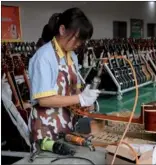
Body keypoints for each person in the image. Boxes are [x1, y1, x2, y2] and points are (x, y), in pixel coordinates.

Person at [28, 8, 100, 152]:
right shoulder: (44, 57)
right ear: (62, 29)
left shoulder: (71, 55)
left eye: (82, 40)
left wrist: (85, 102)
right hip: (47, 129)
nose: (80, 43)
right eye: (77, 38)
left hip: (68, 124)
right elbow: (44, 99)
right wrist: (79, 98)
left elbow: (74, 89)